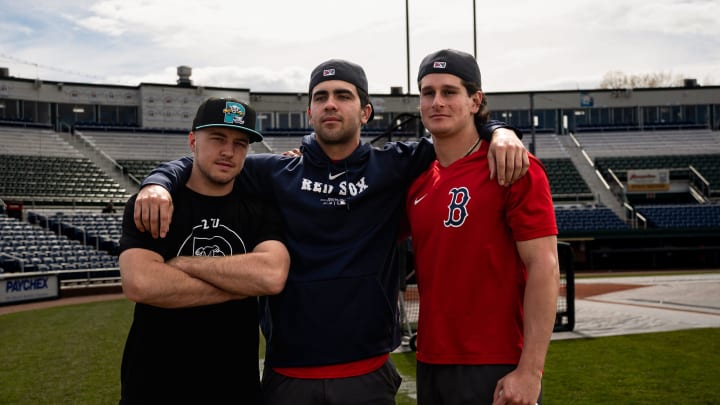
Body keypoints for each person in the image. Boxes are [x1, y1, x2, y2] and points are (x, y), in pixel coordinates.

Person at [133, 59, 529, 405]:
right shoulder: (275, 172)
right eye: (321, 97)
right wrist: (158, 182)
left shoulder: (397, 165)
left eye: (343, 95)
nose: (331, 104)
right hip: (288, 373)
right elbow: (208, 160)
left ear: (366, 111)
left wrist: (500, 130)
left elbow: (457, 132)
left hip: (367, 372)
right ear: (309, 112)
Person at [406, 49, 560, 405]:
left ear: (475, 100)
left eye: (449, 92)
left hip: (496, 362)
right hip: (431, 360)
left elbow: (545, 267)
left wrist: (530, 371)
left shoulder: (513, 167)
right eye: (427, 93)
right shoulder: (417, 181)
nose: (437, 102)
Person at [117, 97, 290, 405]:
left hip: (235, 388)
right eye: (218, 139)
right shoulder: (154, 204)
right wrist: (240, 284)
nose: (228, 151)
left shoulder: (260, 209)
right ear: (193, 141)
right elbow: (141, 283)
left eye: (240, 143)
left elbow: (271, 276)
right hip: (153, 387)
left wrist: (182, 264)